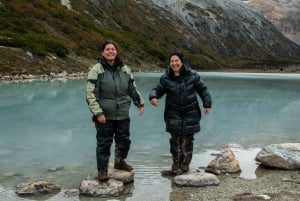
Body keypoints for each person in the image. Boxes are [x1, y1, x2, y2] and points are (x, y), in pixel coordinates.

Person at [86, 40, 144, 182]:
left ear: (116, 52)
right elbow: (90, 93)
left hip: (123, 113)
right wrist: (98, 112)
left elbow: (132, 88)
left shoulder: (125, 69)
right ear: (102, 53)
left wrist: (139, 102)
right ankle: (102, 170)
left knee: (124, 141)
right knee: (104, 143)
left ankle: (119, 161)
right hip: (104, 115)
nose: (111, 51)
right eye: (107, 49)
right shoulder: (97, 69)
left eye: (113, 49)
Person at [149, 52, 212, 175]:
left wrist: (207, 104)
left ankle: (185, 163)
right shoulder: (165, 78)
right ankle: (176, 162)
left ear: (182, 62)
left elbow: (203, 90)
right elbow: (158, 89)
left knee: (188, 140)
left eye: (176, 61)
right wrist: (153, 96)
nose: (174, 63)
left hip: (191, 112)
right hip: (173, 113)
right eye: (172, 61)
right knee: (175, 140)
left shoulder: (193, 76)